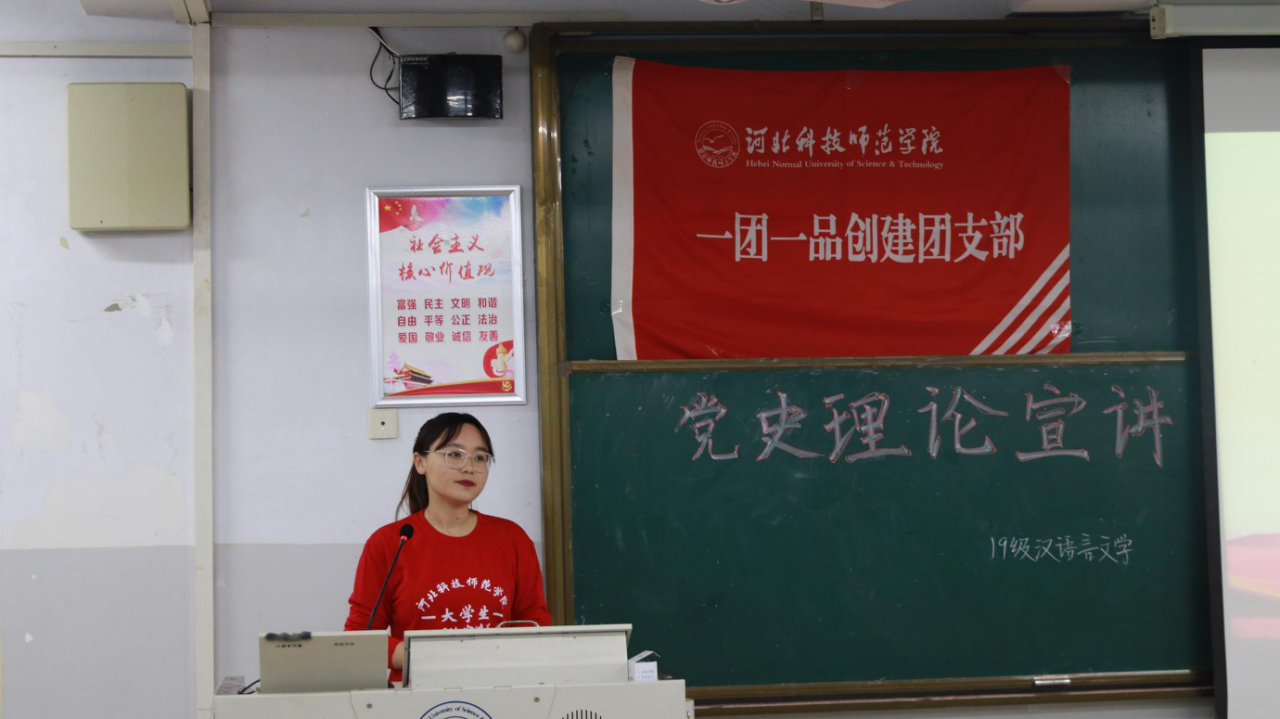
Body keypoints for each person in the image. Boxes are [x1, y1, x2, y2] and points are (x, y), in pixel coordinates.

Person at [344, 412, 551, 683]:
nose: (469, 467)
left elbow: (534, 623)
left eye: (480, 457)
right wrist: (434, 657)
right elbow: (361, 637)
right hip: (416, 693)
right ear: (420, 462)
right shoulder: (390, 542)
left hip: (499, 687)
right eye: (454, 454)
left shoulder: (512, 538)